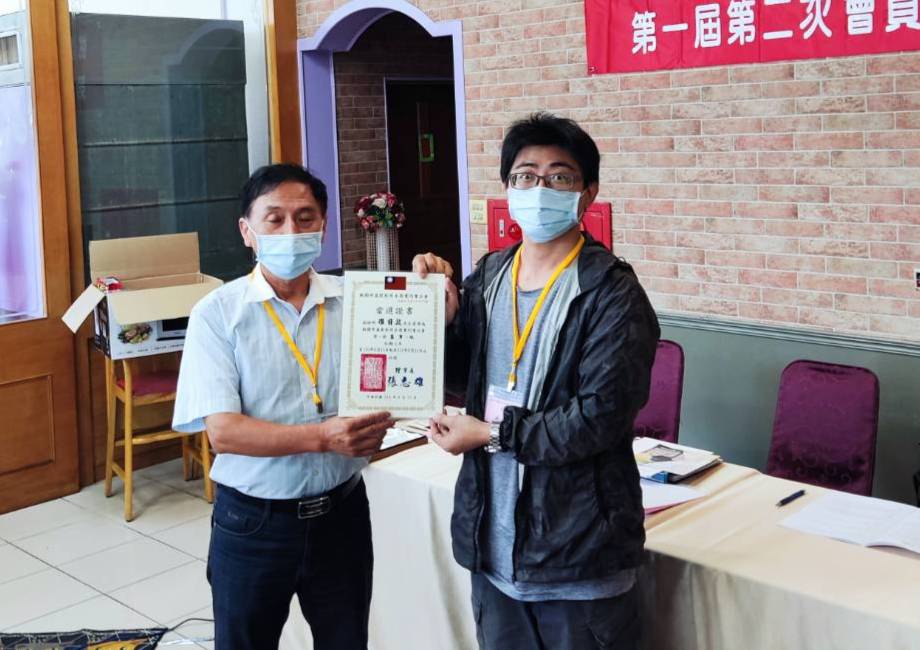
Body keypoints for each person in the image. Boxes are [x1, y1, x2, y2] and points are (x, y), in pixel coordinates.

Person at [414, 113, 660, 650]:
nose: (539, 188)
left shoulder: (611, 293)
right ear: (508, 188)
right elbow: (465, 380)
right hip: (494, 550)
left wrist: (491, 434)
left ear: (587, 193)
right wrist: (445, 319)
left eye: (559, 176)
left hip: (579, 559)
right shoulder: (489, 275)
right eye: (525, 176)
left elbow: (599, 418)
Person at [173, 163, 395, 650]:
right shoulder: (217, 314)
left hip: (342, 514)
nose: (291, 231)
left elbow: (393, 384)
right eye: (274, 219)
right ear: (246, 231)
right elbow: (224, 432)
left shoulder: (358, 303)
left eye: (305, 217)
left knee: (347, 642)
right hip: (253, 523)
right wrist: (324, 437)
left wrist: (434, 298)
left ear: (323, 226)